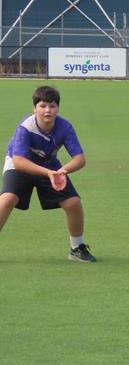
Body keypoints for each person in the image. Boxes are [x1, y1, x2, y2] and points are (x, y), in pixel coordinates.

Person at [0, 86, 96, 262]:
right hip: (20, 166)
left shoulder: (64, 126)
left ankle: (76, 248)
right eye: (42, 106)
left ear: (57, 109)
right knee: (7, 198)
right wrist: (49, 173)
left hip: (50, 167)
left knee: (73, 203)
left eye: (52, 106)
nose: (47, 110)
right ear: (34, 108)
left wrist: (62, 171)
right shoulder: (26, 127)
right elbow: (19, 161)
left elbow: (80, 159)